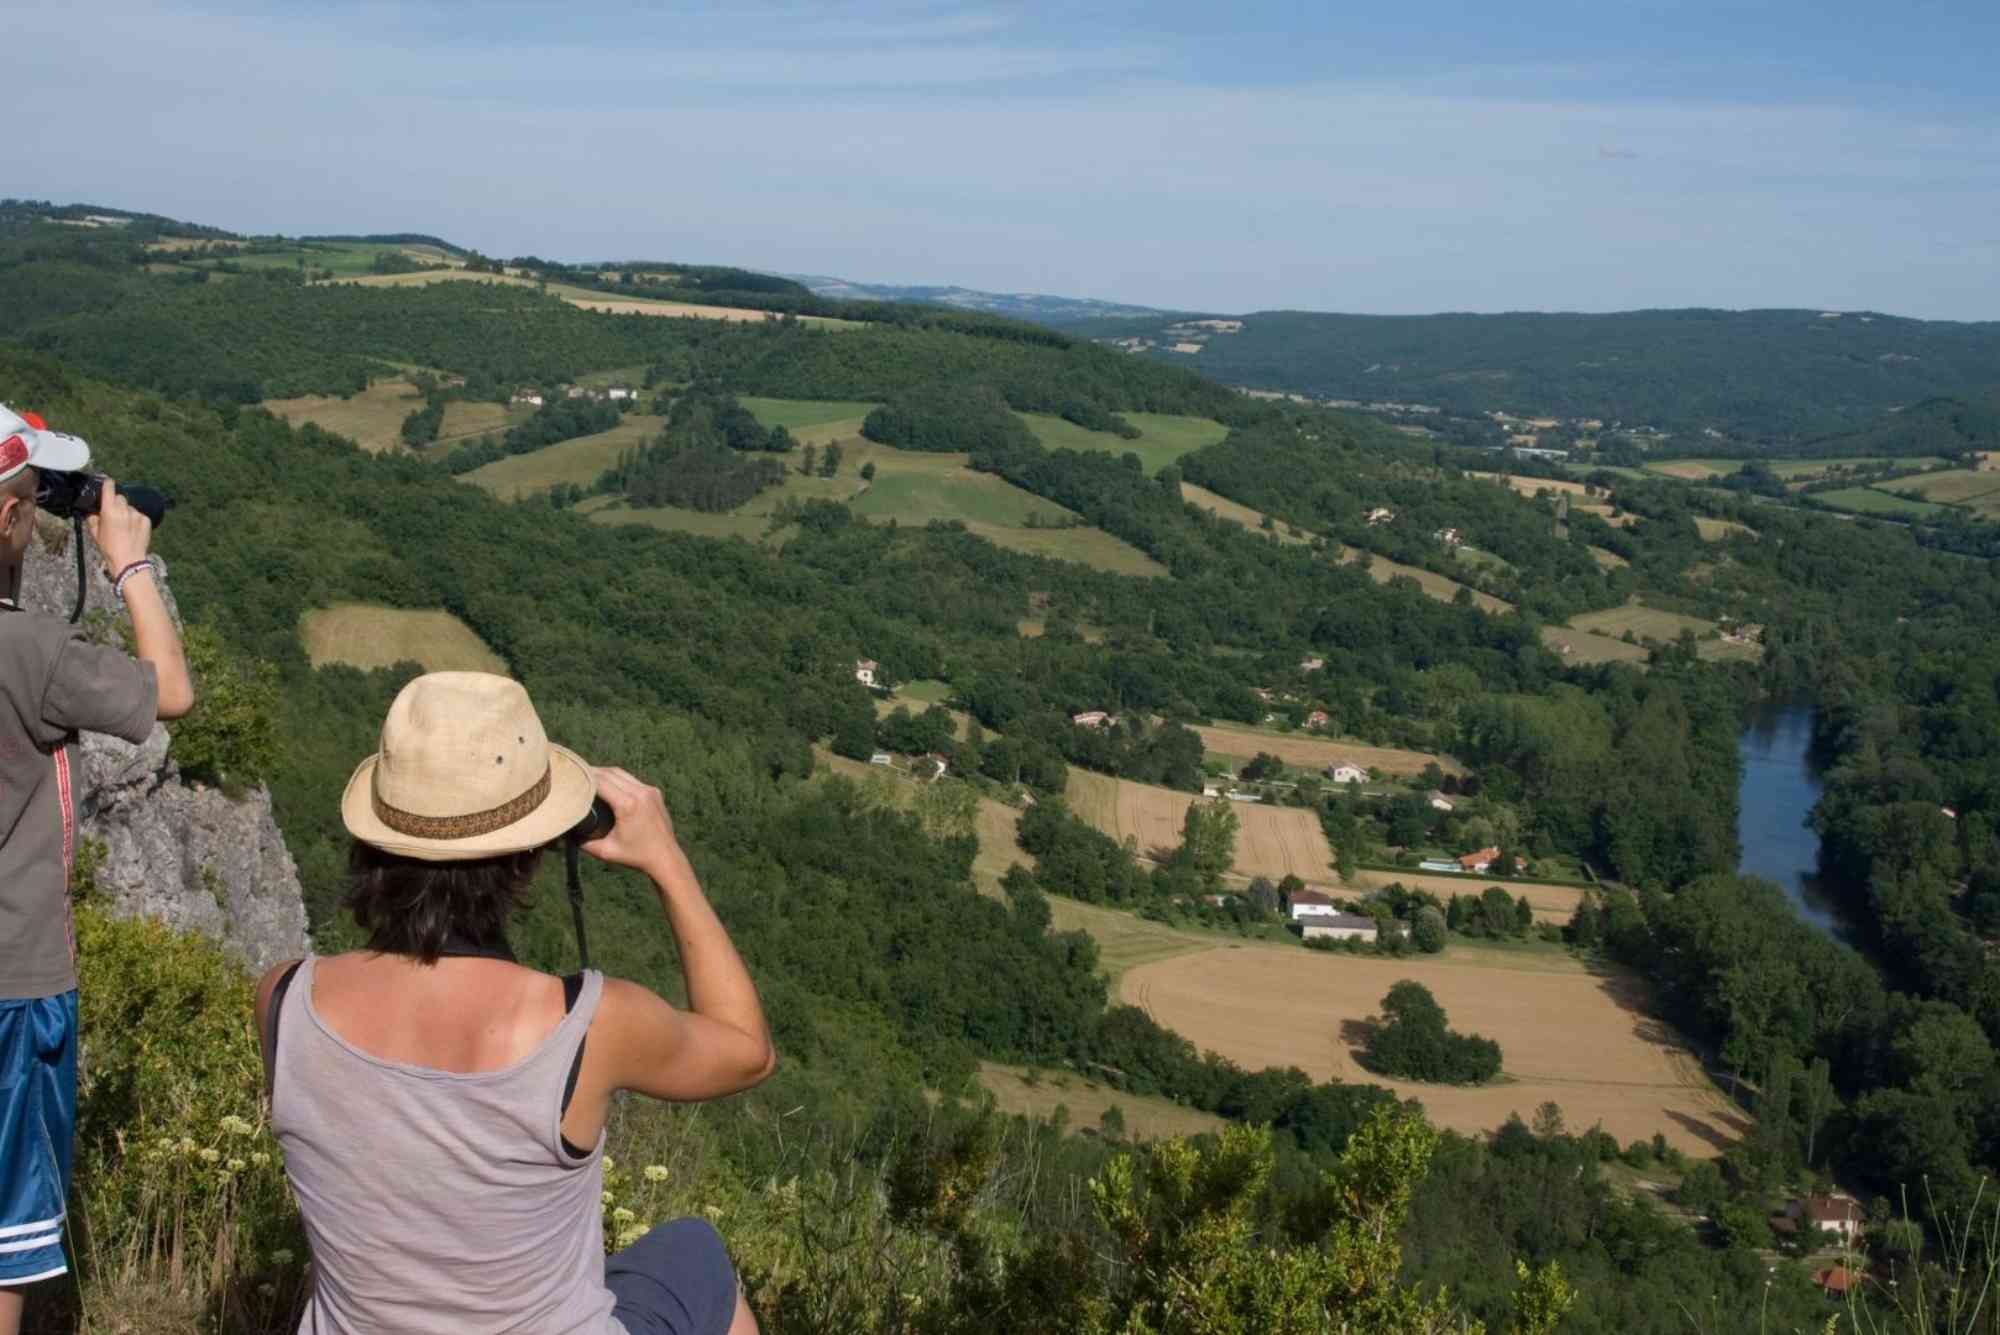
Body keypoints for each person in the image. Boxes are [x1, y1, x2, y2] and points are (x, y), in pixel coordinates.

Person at [255, 671, 775, 1335]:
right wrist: (666, 860)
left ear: (374, 840)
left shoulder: (283, 999)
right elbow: (747, 1050)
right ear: (529, 854)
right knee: (695, 1254)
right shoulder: (588, 1024)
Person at [0, 404, 194, 1335]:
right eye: (35, 498)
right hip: (13, 982)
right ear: (11, 518)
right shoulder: (30, 654)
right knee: (4, 1240)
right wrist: (127, 563)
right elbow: (171, 691)